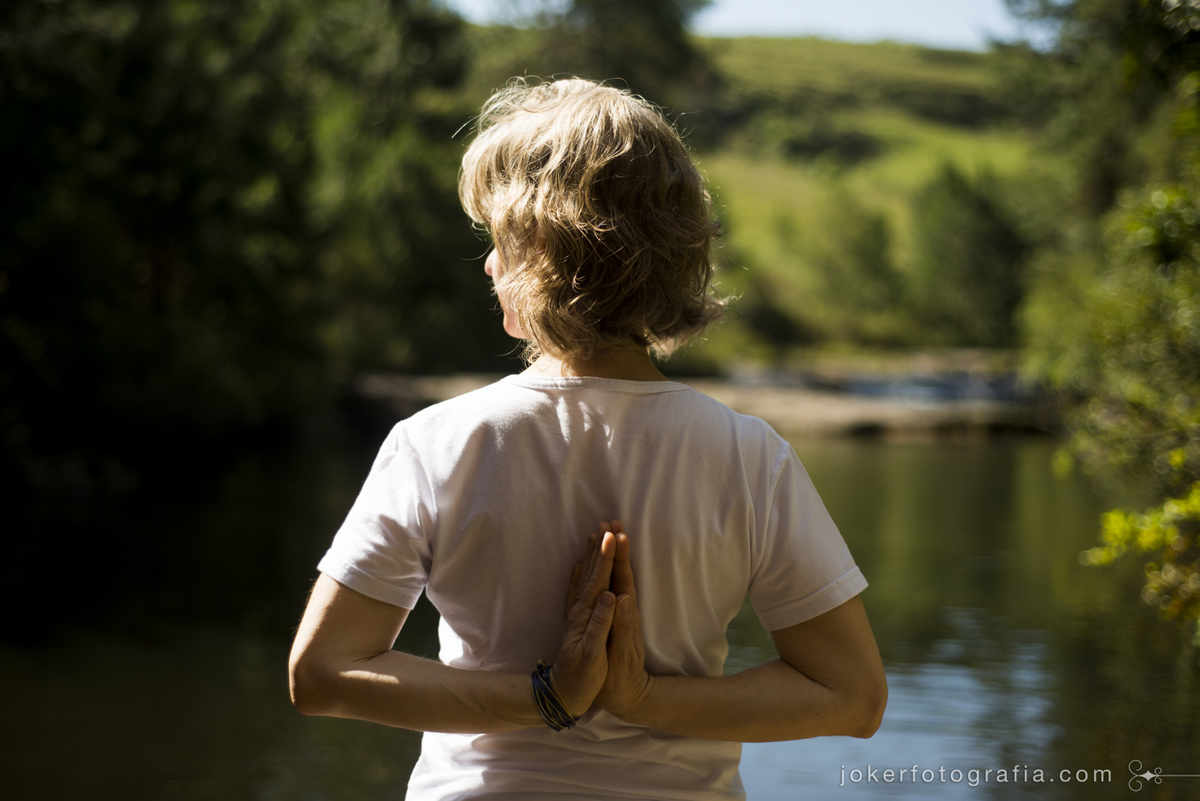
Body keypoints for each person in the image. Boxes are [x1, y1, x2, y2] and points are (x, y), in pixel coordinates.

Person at [288, 77, 887, 800]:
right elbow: (852, 696)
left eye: (497, 239)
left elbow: (322, 674)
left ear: (539, 247)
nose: (487, 264)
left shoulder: (440, 442)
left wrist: (547, 697)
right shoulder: (747, 454)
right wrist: (640, 699)